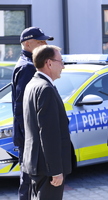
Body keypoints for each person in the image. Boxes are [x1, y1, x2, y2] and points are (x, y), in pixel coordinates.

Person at [22, 45, 73, 200]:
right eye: (61, 61)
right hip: (47, 168)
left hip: (36, 163)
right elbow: (48, 134)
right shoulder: (45, 89)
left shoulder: (33, 84)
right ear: (49, 63)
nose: (63, 66)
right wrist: (56, 170)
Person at [11, 27, 54, 200]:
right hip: (30, 139)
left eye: (45, 41)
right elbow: (22, 107)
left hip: (29, 138)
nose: (45, 44)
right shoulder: (28, 68)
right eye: (40, 42)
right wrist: (31, 139)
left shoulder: (29, 64)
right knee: (29, 183)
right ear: (27, 44)